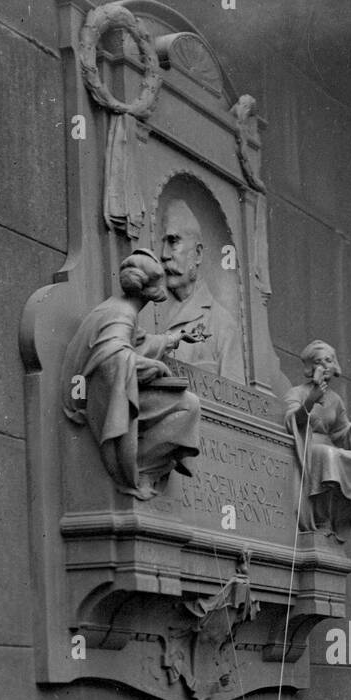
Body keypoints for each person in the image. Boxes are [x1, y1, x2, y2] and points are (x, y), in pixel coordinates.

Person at [61, 249, 201, 500]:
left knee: (186, 403)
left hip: (101, 392)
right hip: (100, 399)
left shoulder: (117, 308)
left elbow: (139, 342)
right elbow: (114, 359)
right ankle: (139, 470)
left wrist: (174, 338)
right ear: (152, 291)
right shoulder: (122, 314)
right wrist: (154, 367)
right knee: (189, 406)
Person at [284, 340, 351, 543]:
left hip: (329, 447)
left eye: (328, 360)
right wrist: (312, 398)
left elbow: (342, 434)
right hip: (308, 447)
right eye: (319, 361)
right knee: (328, 455)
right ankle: (322, 519)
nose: (325, 365)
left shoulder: (335, 399)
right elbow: (292, 421)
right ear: (311, 367)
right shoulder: (297, 392)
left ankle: (344, 513)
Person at [156, 199, 245, 381]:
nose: (164, 255)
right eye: (163, 242)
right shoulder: (152, 309)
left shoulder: (222, 326)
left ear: (198, 254)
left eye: (173, 241)